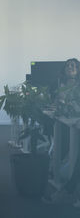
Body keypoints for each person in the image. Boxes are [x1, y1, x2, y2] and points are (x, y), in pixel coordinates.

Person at [44, 58, 80, 207]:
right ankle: (60, 178)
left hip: (73, 123)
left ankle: (68, 189)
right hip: (65, 122)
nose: (70, 68)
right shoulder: (59, 84)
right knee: (64, 141)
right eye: (68, 66)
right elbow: (52, 102)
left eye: (73, 65)